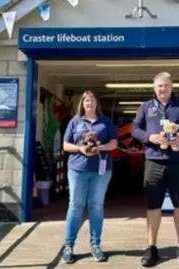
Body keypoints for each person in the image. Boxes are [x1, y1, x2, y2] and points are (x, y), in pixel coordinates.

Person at [131, 72, 179, 267]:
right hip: (154, 162)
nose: (163, 89)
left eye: (166, 86)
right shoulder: (146, 107)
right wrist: (149, 138)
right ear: (154, 88)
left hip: (178, 162)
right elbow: (134, 129)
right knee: (153, 206)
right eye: (159, 86)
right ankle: (152, 248)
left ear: (172, 87)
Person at [61, 90, 118, 264]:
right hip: (77, 169)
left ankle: (95, 245)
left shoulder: (105, 122)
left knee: (96, 206)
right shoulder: (75, 122)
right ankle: (68, 246)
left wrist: (100, 148)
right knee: (76, 206)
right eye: (86, 100)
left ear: (96, 104)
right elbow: (65, 145)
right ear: (82, 104)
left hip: (101, 170)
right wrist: (80, 148)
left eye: (92, 100)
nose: (89, 103)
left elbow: (114, 143)